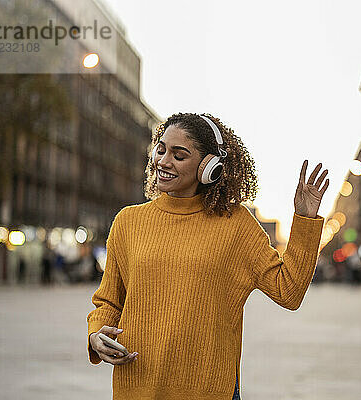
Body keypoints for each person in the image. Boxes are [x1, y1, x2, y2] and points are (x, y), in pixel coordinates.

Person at [86, 113, 329, 399]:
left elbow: (289, 291)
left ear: (208, 167)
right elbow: (109, 300)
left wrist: (304, 220)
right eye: (161, 149)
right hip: (137, 387)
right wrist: (96, 335)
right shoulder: (128, 221)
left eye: (179, 155)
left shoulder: (236, 224)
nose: (164, 161)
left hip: (209, 390)